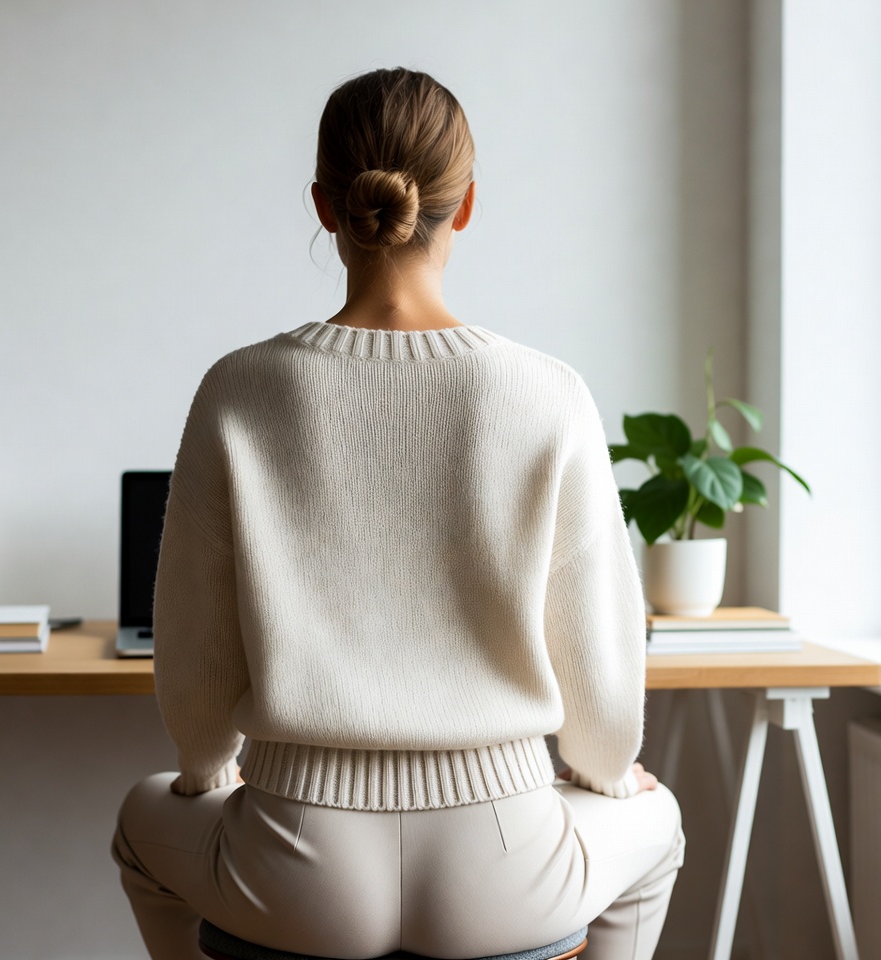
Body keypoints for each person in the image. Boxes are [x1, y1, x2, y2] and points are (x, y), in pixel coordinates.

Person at [112, 67, 684, 960]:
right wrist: (611, 777)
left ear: (323, 205)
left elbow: (195, 668)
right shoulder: (548, 393)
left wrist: (204, 772)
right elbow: (601, 683)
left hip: (296, 869)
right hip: (506, 864)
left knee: (142, 823)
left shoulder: (239, 390)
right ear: (464, 208)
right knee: (658, 827)